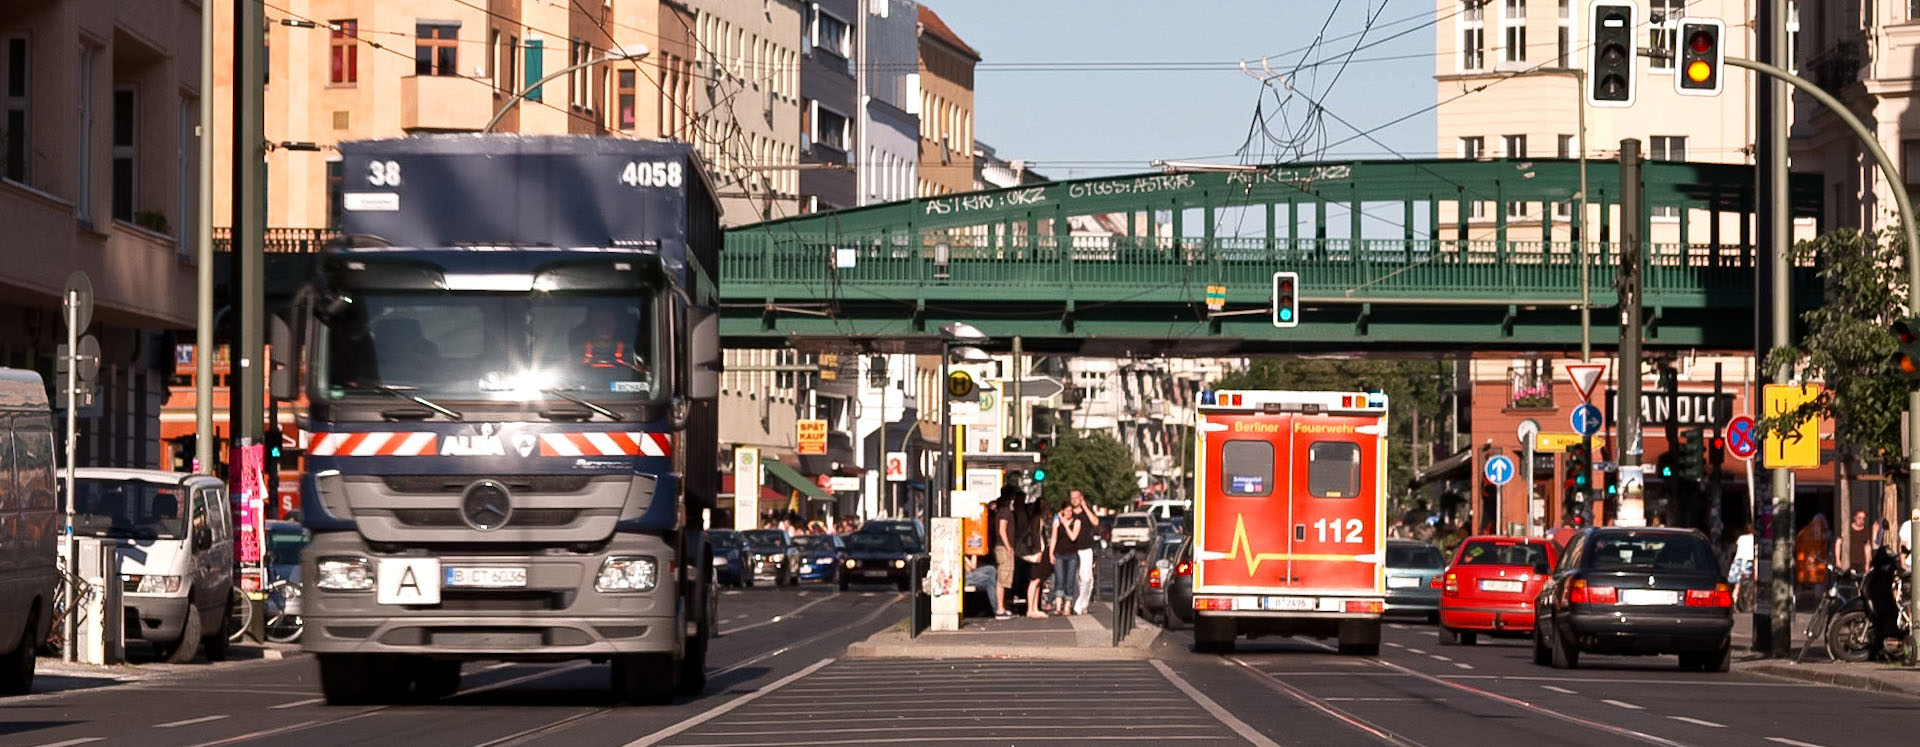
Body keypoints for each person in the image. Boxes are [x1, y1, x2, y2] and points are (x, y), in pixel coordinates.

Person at [574, 307, 645, 373]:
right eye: (600, 323)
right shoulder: (579, 352)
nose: (604, 327)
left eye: (609, 322)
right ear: (593, 325)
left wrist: (640, 370)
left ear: (616, 324)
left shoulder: (631, 353)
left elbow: (642, 374)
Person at [1068, 490, 1100, 615]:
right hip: (1072, 549)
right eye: (1072, 498)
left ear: (1081, 498)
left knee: (1087, 578)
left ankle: (1083, 604)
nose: (1074, 500)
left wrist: (1085, 507)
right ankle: (1076, 605)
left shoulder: (1086, 512)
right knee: (1075, 579)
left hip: (1086, 549)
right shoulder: (1069, 512)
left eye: (1077, 497)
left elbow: (1096, 523)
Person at [1049, 501, 1084, 615]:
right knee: (1059, 580)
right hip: (1059, 554)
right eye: (1067, 510)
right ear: (1062, 511)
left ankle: (1067, 606)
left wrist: (1065, 524)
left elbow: (1073, 537)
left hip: (1072, 555)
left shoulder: (1076, 522)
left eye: (1070, 510)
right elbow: (1054, 538)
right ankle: (1058, 606)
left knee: (1070, 580)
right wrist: (1051, 553)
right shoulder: (1057, 522)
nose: (1069, 513)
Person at [1019, 498, 1052, 618]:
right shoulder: (1037, 520)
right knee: (1035, 580)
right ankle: (1031, 608)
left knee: (1038, 580)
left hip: (1039, 553)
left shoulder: (1037, 519)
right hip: (1038, 553)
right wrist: (1038, 551)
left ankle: (1034, 607)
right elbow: (1036, 536)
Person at [990, 490, 1018, 620]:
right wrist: (1008, 547)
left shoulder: (1000, 510)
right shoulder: (1005, 511)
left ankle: (1002, 607)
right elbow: (1002, 530)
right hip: (1003, 547)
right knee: (1003, 577)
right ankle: (1000, 609)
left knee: (1003, 576)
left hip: (1000, 547)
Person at [1836, 510, 1873, 574]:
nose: (1861, 521)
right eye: (1859, 518)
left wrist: (1867, 564)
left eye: (1863, 518)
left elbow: (1867, 547)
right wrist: (1838, 560)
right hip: (1848, 562)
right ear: (1855, 518)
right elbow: (1838, 543)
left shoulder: (1866, 531)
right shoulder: (1847, 529)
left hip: (1861, 563)